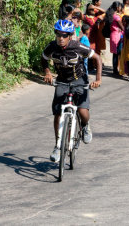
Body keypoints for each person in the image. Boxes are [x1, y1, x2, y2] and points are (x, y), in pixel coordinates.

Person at [41, 19, 102, 162]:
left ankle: (85, 126)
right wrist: (48, 73)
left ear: (70, 36)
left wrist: (98, 79)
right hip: (62, 80)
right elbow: (44, 58)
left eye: (64, 35)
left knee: (82, 111)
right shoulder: (52, 47)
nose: (61, 38)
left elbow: (97, 58)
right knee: (57, 114)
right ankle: (57, 146)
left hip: (79, 80)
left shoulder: (78, 46)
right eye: (58, 35)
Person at [105, 1, 125, 74]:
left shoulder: (111, 15)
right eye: (120, 6)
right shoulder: (116, 17)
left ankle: (115, 69)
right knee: (118, 53)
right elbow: (122, 27)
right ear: (117, 7)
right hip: (117, 35)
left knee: (115, 54)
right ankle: (116, 70)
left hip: (113, 34)